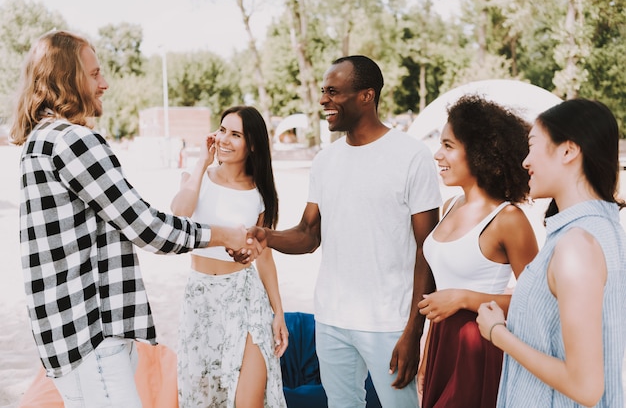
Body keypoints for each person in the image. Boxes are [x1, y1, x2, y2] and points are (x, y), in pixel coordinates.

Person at [10, 30, 258, 408]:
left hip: (63, 335)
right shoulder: (73, 140)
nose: (104, 83)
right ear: (66, 78)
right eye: (94, 74)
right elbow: (148, 227)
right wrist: (226, 235)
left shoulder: (39, 141)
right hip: (93, 334)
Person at [236, 55, 442, 407]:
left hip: (388, 323)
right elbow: (308, 233)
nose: (323, 100)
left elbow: (428, 249)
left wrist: (414, 330)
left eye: (333, 91)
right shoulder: (325, 161)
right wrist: (267, 236)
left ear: (366, 95)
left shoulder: (412, 156)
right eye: (322, 91)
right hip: (331, 320)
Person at [477, 98, 626, 407]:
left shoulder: (577, 246)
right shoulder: (595, 231)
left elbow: (585, 387)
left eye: (533, 146)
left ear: (568, 151)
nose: (525, 161)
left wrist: (498, 334)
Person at [416, 95, 538, 407]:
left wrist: (464, 298)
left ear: (480, 153)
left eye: (448, 145)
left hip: (479, 346)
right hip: (443, 344)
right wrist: (427, 357)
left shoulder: (508, 220)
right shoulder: (449, 206)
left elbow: (538, 303)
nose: (437, 154)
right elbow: (439, 297)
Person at [171, 106, 288, 407]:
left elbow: (264, 257)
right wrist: (201, 163)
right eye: (222, 130)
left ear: (252, 145)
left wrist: (279, 312)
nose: (224, 138)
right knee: (206, 399)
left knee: (248, 402)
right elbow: (179, 214)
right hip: (201, 299)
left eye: (235, 134)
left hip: (245, 299)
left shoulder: (260, 194)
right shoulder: (198, 177)